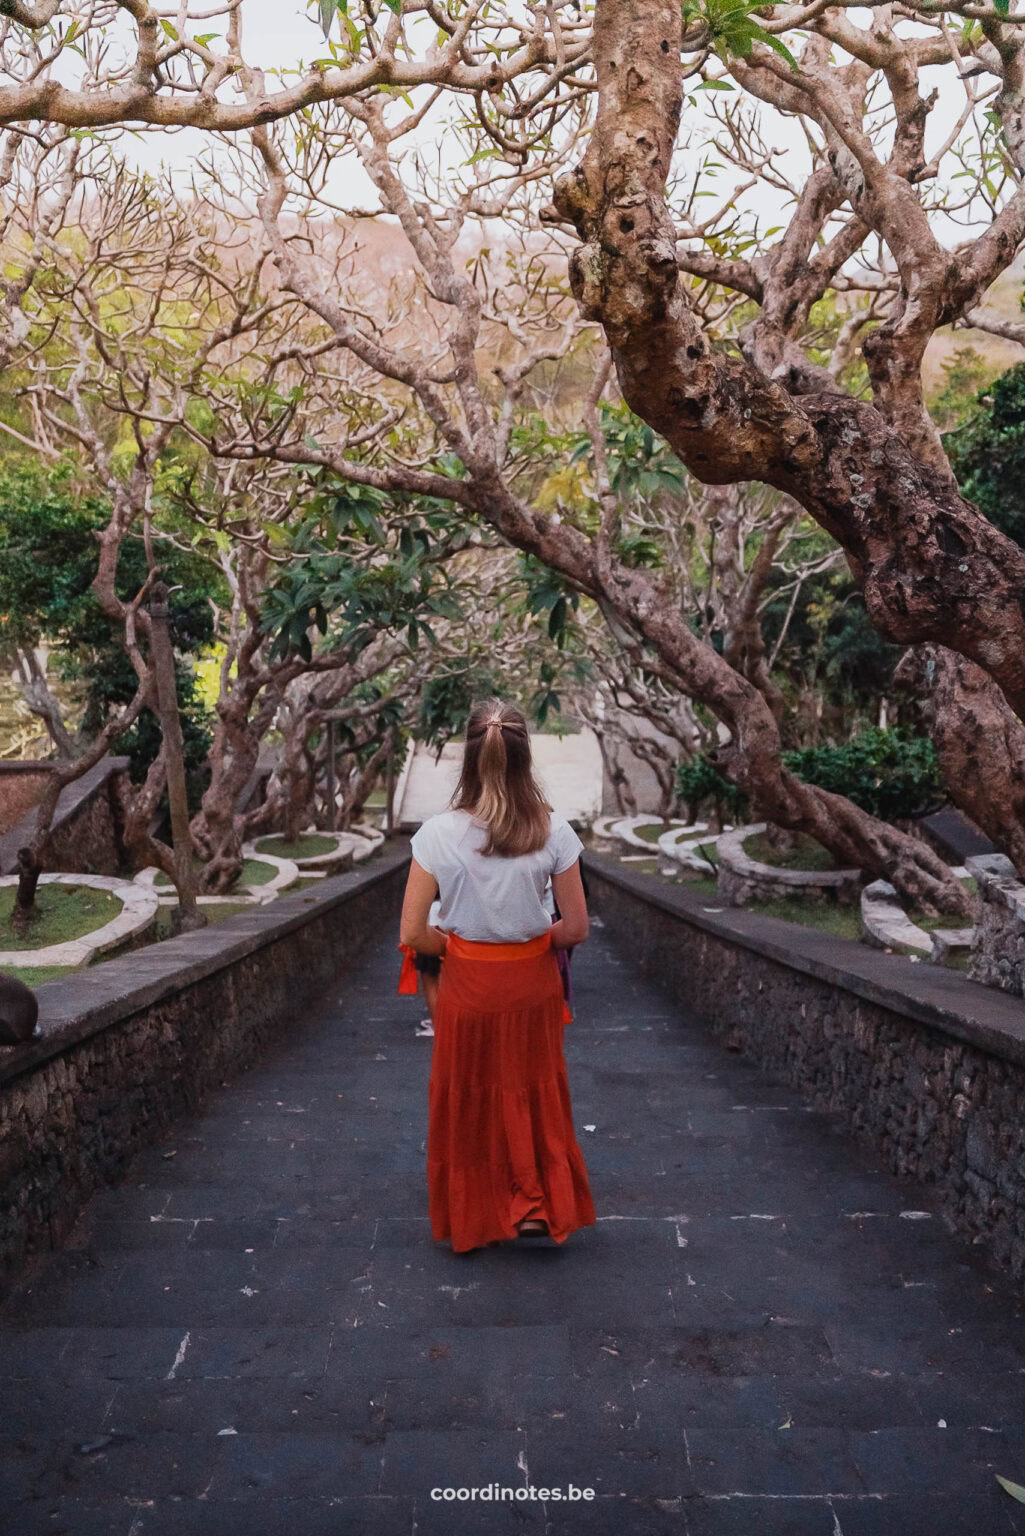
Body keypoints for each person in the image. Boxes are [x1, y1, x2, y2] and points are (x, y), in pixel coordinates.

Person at [398, 699, 596, 1253]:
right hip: (532, 985)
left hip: (467, 988)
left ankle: (475, 1213)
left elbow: (414, 932)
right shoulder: (554, 830)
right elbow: (576, 928)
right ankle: (532, 1206)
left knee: (472, 1094)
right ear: (524, 756)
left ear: (468, 757)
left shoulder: (437, 834)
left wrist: (463, 947)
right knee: (531, 1092)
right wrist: (526, 939)